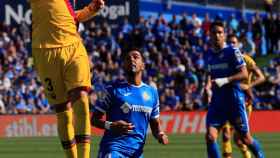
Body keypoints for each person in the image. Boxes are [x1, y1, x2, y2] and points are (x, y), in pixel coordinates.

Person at [29, 0, 104, 157]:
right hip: (45, 52)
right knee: (63, 112)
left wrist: (91, 9)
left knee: (82, 99)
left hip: (73, 47)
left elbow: (71, 17)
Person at [91, 49, 169, 158]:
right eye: (128, 58)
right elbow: (94, 120)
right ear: (124, 65)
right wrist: (111, 125)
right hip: (113, 149)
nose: (131, 59)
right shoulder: (111, 89)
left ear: (143, 65)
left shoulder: (152, 93)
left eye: (135, 57)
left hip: (137, 153)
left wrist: (160, 135)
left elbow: (155, 125)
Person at [205, 21, 265, 158]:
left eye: (220, 32)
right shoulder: (209, 55)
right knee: (210, 136)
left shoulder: (232, 51)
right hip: (217, 103)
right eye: (214, 32)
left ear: (224, 35)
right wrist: (207, 88)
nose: (217, 35)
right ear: (210, 35)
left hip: (234, 102)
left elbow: (244, 74)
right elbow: (210, 76)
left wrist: (226, 80)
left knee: (245, 139)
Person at [220, 34, 266, 158]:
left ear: (239, 44)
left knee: (241, 139)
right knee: (225, 133)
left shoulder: (247, 60)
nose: (231, 44)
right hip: (227, 101)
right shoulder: (224, 61)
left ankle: (251, 155)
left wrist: (248, 86)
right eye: (229, 42)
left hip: (244, 103)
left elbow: (262, 77)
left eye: (234, 42)